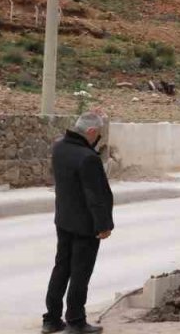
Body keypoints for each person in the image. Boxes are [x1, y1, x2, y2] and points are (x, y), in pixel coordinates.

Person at [43, 112, 113, 334]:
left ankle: (52, 319)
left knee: (61, 267)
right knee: (80, 273)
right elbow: (95, 195)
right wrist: (103, 225)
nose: (98, 139)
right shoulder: (87, 157)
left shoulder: (59, 147)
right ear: (91, 132)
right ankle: (75, 320)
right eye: (98, 134)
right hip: (85, 225)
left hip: (63, 219)